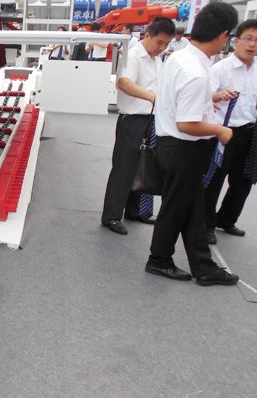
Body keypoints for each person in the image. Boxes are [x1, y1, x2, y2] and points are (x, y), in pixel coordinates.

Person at [145, 2, 239, 286]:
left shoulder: (179, 58)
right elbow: (187, 123)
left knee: (193, 209)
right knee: (176, 209)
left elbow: (179, 102)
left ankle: (203, 267)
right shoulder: (196, 71)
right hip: (184, 148)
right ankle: (159, 260)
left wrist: (210, 101)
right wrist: (220, 130)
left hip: (172, 145)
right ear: (223, 35)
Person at [205, 19, 257, 245]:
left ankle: (226, 219)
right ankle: (206, 224)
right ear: (236, 40)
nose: (252, 44)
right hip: (224, 131)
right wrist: (219, 95)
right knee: (215, 179)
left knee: (243, 180)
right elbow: (204, 97)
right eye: (248, 38)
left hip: (249, 131)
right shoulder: (221, 68)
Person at [101, 18, 176, 235]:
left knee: (144, 166)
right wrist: (152, 97)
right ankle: (112, 216)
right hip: (133, 121)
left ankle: (135, 211)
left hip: (152, 120)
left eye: (166, 44)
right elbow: (124, 83)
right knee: (124, 170)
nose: (162, 47)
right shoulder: (133, 56)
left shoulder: (157, 59)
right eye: (159, 42)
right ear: (148, 35)